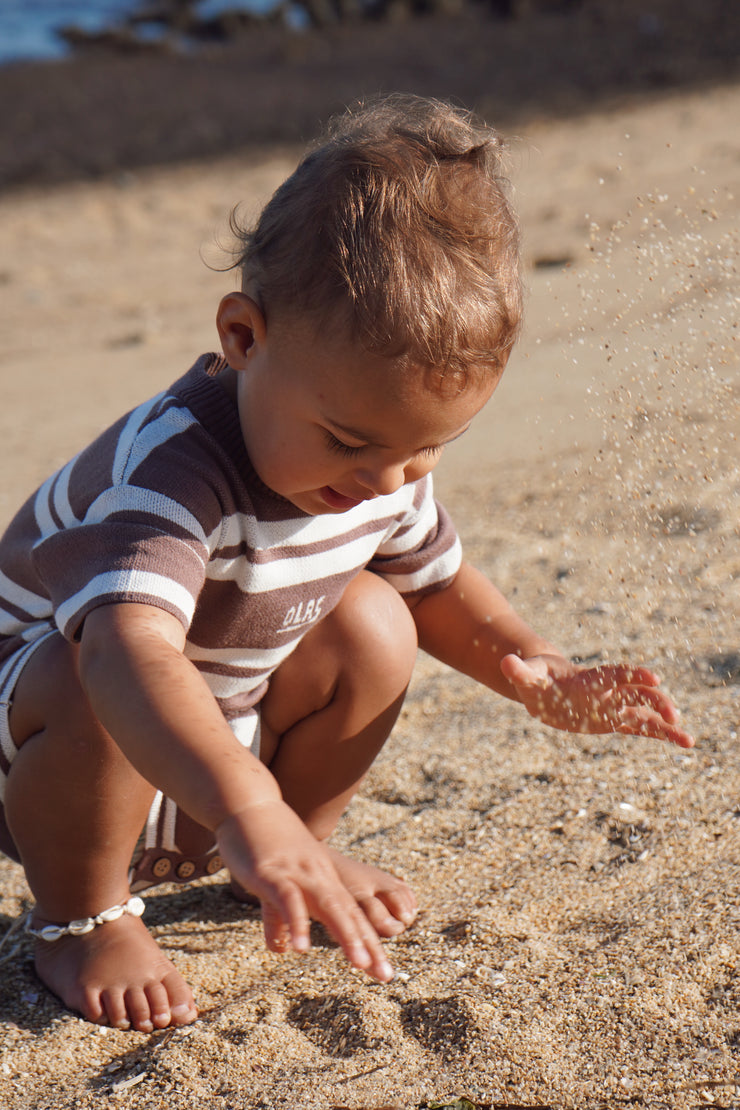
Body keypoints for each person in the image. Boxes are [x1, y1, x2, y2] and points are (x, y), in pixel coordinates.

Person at [0, 94, 694, 1035]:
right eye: (349, 441)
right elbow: (128, 653)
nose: (386, 481)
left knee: (377, 622)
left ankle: (298, 856)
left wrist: (538, 668)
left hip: (211, 754)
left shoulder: (380, 463)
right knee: (92, 672)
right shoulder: (169, 474)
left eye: (426, 450)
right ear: (243, 338)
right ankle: (80, 918)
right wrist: (245, 805)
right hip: (50, 763)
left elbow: (440, 584)